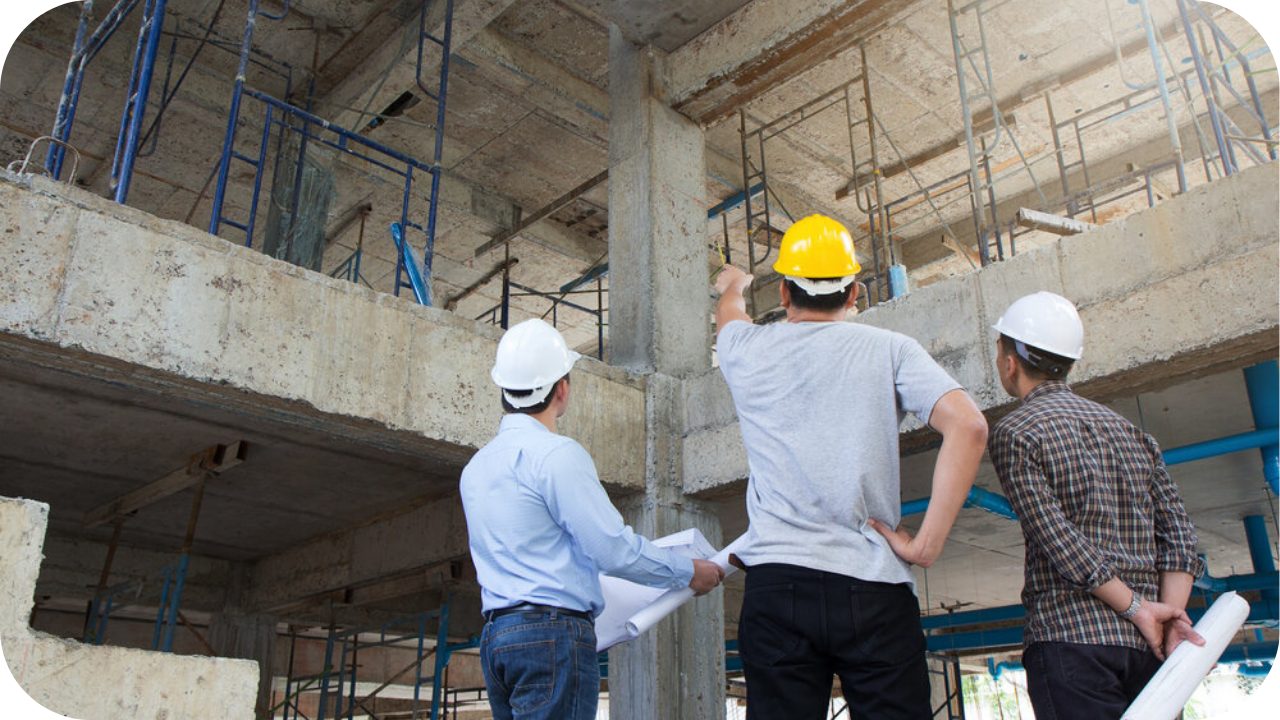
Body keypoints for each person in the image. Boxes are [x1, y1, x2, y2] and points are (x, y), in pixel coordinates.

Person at [712, 215, 989, 720]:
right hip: (873, 583)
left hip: (778, 585)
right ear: (855, 292)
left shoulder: (744, 350)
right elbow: (969, 427)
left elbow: (730, 314)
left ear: (784, 292)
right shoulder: (890, 349)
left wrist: (734, 285)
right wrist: (925, 545)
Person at [460, 318, 724, 720]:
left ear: (504, 389)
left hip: (497, 637)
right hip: (552, 634)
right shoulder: (557, 455)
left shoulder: (475, 468)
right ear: (562, 389)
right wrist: (687, 571)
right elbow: (611, 550)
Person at [987, 291, 1206, 720]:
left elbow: (1058, 539)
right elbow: (1180, 535)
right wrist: (1169, 617)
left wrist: (1139, 609)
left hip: (1072, 641)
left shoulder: (1016, 432)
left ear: (1009, 363)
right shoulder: (1133, 433)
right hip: (1152, 651)